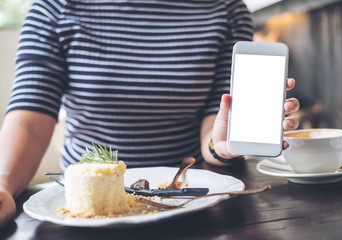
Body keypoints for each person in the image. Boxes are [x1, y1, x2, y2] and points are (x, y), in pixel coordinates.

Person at [0, 0, 299, 227]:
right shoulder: (55, 8)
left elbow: (215, 127)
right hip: (87, 211)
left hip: (190, 203)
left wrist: (222, 146)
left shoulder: (226, 10)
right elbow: (30, 119)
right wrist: (2, 187)